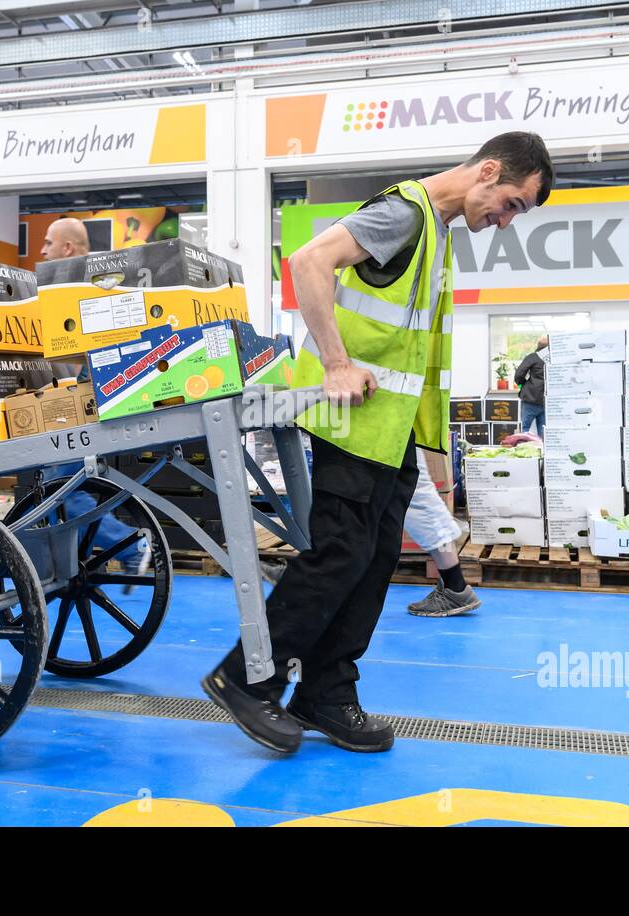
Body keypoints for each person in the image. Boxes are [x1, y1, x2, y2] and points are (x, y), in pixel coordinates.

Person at [202, 132, 554, 754]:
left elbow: (411, 350)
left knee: (372, 560)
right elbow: (308, 261)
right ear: (489, 171)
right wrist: (336, 363)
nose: (504, 222)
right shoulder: (405, 214)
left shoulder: (439, 234)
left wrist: (430, 443)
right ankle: (247, 677)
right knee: (340, 552)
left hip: (394, 432)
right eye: (512, 205)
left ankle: (327, 694)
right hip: (354, 420)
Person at [38, 217, 150, 584]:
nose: (43, 250)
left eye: (48, 242)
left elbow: (86, 348)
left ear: (67, 248)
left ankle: (130, 545)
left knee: (62, 487)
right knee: (74, 483)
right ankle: (82, 562)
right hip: (105, 386)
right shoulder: (106, 279)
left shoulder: (80, 285)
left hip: (97, 390)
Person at [404, 449, 481, 617]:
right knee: (412, 492)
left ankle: (455, 587)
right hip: (393, 433)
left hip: (389, 433)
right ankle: (454, 585)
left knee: (414, 493)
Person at [515, 335, 548, 437]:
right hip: (546, 400)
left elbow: (519, 375)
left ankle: (524, 450)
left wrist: (523, 384)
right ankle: (542, 451)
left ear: (538, 346)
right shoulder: (553, 359)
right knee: (543, 431)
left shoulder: (532, 357)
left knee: (525, 429)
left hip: (530, 399)